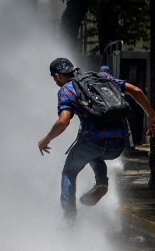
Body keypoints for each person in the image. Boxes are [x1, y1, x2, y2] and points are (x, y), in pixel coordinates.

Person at [38, 58, 155, 223]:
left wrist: (45, 140)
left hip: (92, 142)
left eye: (54, 78)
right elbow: (135, 90)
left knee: (70, 171)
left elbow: (63, 121)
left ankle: (69, 220)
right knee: (96, 155)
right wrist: (151, 115)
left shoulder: (67, 89)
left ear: (57, 76)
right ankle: (101, 183)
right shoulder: (102, 78)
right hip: (118, 144)